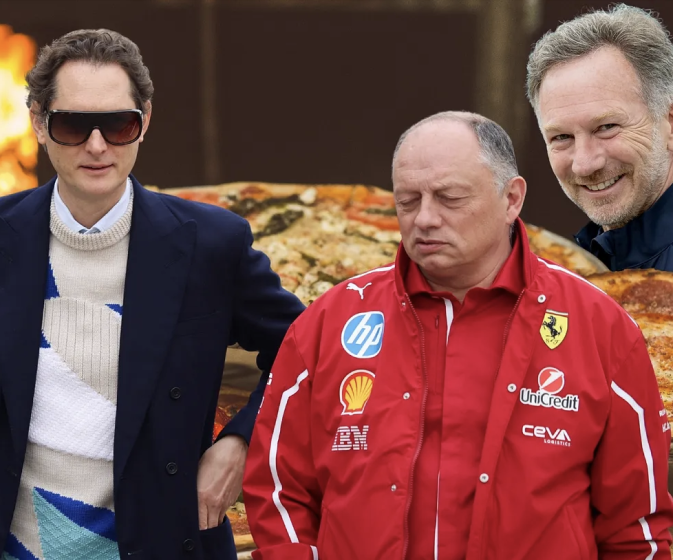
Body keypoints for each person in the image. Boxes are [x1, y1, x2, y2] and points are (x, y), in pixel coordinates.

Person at [0, 29, 304, 560]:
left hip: (162, 542)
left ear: (144, 121)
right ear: (37, 123)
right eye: (73, 125)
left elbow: (304, 351)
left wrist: (240, 444)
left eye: (117, 124)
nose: (97, 146)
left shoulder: (212, 243)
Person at [242, 111, 673, 560]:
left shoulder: (600, 326)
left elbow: (636, 528)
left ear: (512, 198)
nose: (425, 219)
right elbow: (278, 490)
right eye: (408, 201)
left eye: (449, 198)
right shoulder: (327, 322)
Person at [526, 3, 673, 271]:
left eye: (606, 127)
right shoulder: (553, 276)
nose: (584, 164)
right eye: (561, 137)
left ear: (669, 122)